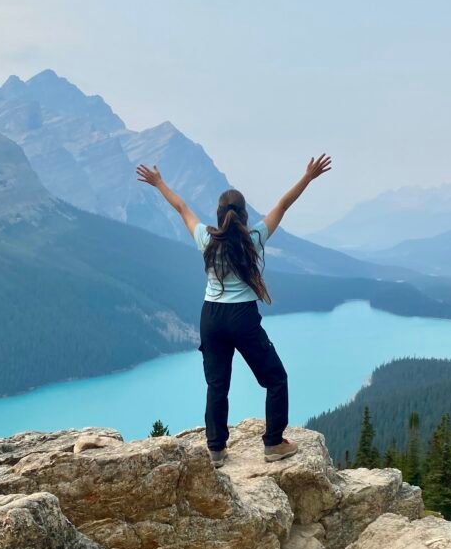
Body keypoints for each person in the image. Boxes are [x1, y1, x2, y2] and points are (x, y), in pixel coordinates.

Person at [136, 155, 332, 467]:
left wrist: (159, 183)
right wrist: (307, 177)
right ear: (244, 215)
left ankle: (216, 450)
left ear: (218, 214)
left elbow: (182, 208)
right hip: (242, 318)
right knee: (275, 378)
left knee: (217, 385)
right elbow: (282, 205)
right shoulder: (253, 239)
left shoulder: (206, 239)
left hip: (211, 317)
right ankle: (273, 443)